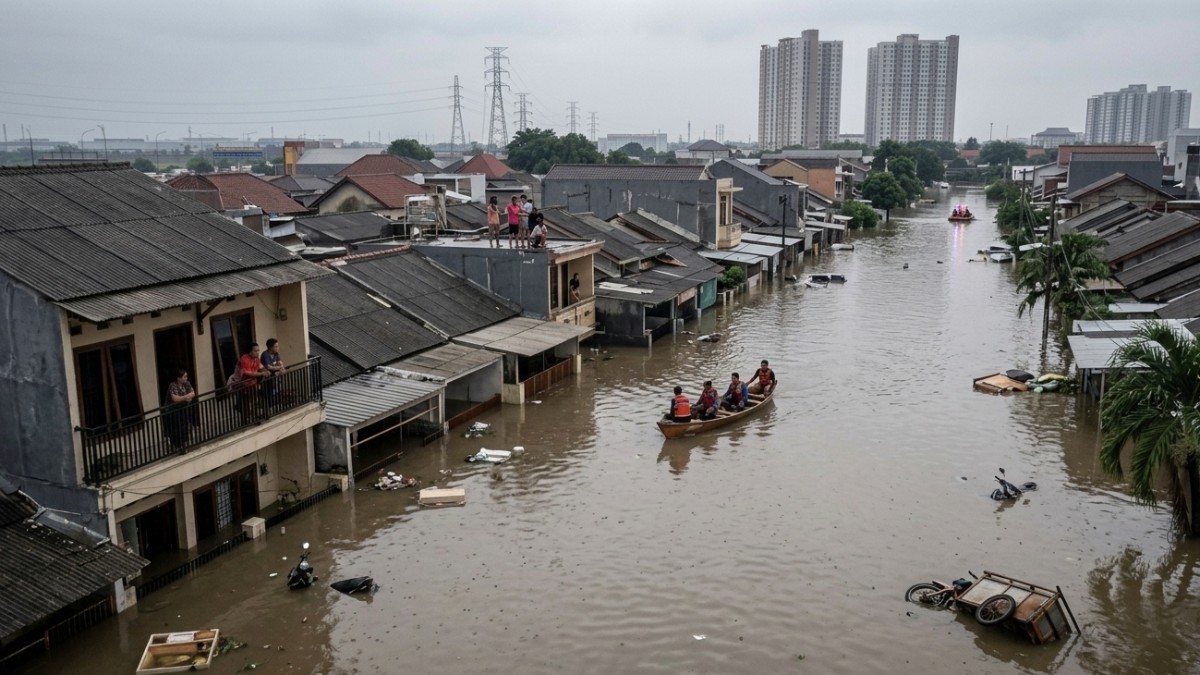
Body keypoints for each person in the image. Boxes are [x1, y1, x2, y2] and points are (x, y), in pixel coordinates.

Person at [165, 368, 196, 449]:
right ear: (179, 378)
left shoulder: (187, 384)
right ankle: (175, 445)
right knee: (175, 428)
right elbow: (175, 398)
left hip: (182, 409)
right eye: (184, 376)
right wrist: (186, 397)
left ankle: (184, 444)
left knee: (184, 426)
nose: (186, 378)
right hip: (172, 411)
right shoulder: (173, 385)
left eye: (186, 376)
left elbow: (193, 393)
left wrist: (185, 397)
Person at [235, 343, 266, 420]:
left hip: (252, 384)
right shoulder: (244, 359)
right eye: (255, 351)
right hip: (242, 384)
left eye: (258, 350)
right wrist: (261, 373)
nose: (258, 352)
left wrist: (266, 371)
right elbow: (246, 373)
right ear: (250, 351)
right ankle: (246, 418)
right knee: (246, 402)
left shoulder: (256, 359)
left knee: (254, 400)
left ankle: (254, 416)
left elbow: (261, 367)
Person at [261, 338, 286, 409]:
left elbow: (280, 363)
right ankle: (268, 407)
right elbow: (268, 367)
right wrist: (279, 368)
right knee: (268, 393)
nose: (278, 348)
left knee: (276, 391)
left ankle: (274, 405)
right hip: (266, 378)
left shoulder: (276, 354)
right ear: (271, 347)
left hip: (274, 377)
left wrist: (282, 368)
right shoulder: (265, 354)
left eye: (278, 346)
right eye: (276, 346)